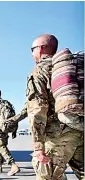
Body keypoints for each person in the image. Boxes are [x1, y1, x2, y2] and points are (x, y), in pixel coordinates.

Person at [27, 34, 83, 179]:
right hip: (80, 129)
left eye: (32, 49)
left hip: (58, 136)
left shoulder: (40, 71)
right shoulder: (71, 67)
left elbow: (37, 110)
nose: (31, 53)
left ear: (40, 49)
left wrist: (38, 145)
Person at [0, 89, 20, 175]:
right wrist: (14, 130)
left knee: (1, 147)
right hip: (5, 128)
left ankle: (13, 165)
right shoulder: (6, 103)